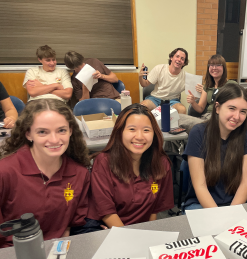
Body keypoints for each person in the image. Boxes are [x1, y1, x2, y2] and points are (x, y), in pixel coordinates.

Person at [0, 99, 91, 248]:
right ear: (28, 134)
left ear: (70, 131)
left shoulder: (80, 173)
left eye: (61, 130)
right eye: (42, 132)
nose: (54, 140)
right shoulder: (5, 172)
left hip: (58, 251)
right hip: (12, 254)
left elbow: (73, 224)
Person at [88, 104, 174, 227]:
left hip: (141, 232)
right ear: (120, 132)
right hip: (110, 229)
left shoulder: (161, 163)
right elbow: (106, 212)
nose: (139, 137)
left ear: (154, 134)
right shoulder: (104, 162)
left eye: (146, 130)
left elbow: (154, 209)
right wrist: (130, 239)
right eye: (132, 129)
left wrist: (149, 235)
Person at [182, 83, 247, 210]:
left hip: (239, 201)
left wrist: (231, 213)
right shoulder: (198, 132)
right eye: (232, 108)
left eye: (243, 111)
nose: (237, 117)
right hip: (201, 203)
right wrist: (221, 218)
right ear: (217, 107)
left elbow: (245, 182)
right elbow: (200, 186)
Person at [139, 48, 188, 115]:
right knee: (141, 107)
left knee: (182, 110)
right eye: (177, 56)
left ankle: (178, 126)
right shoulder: (159, 68)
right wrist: (140, 77)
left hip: (173, 101)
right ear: (171, 57)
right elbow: (144, 84)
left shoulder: (186, 77)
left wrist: (198, 91)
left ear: (184, 63)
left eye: (182, 59)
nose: (179, 60)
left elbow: (193, 94)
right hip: (155, 99)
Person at [186, 54, 237, 119]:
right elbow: (200, 108)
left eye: (218, 65)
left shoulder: (231, 85)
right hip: (207, 117)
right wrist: (193, 102)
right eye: (211, 65)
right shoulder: (207, 86)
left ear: (223, 68)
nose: (214, 68)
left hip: (222, 117)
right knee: (182, 120)